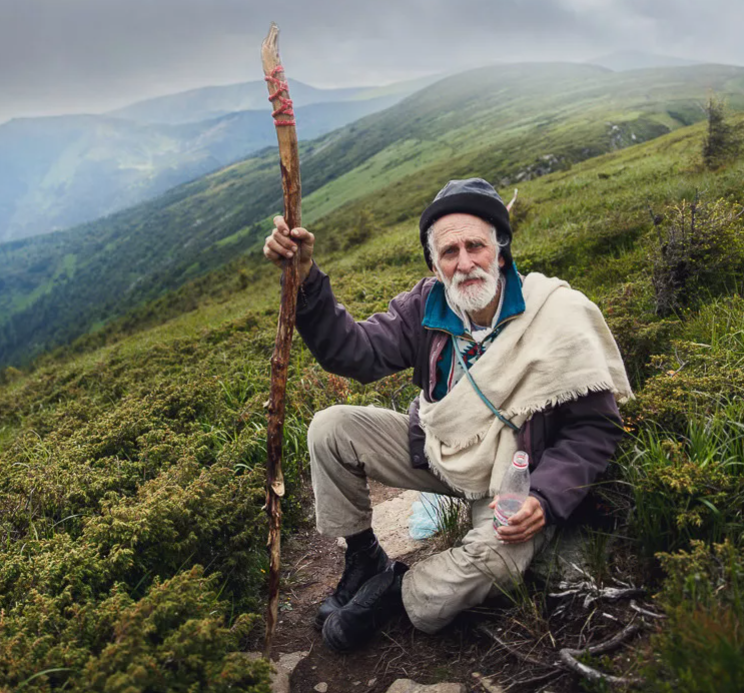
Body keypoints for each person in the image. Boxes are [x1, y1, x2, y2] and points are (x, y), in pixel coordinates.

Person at [262, 177, 632, 652]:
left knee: (487, 569)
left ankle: (402, 591)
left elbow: (595, 427)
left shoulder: (554, 314)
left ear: (500, 251)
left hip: (513, 481)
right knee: (331, 427)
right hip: (440, 452)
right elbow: (353, 353)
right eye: (449, 252)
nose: (465, 262)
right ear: (435, 266)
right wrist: (306, 278)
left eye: (475, 245)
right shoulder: (427, 305)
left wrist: (544, 497)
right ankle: (364, 558)